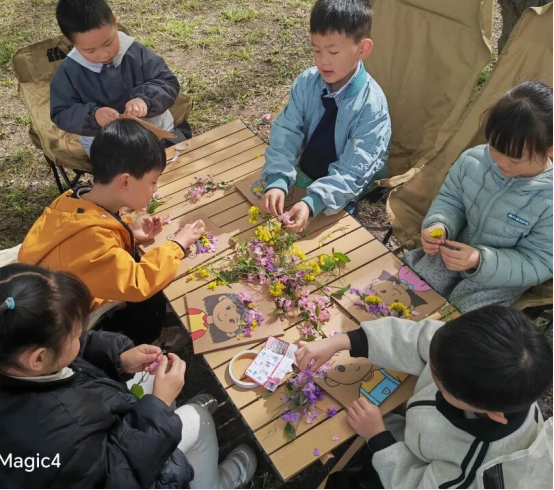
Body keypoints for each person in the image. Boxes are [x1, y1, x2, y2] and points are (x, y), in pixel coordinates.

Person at [0, 264, 257, 489]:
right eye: (75, 334)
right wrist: (159, 405)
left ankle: (171, 417)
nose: (81, 335)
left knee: (149, 378)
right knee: (199, 420)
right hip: (137, 471)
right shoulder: (57, 438)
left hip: (103, 419)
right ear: (38, 358)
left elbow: (77, 352)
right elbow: (121, 475)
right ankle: (214, 482)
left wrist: (119, 358)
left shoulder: (14, 352)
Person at [296, 306, 553, 489]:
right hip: (414, 427)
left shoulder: (475, 465)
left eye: (440, 383)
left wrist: (378, 437)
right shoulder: (473, 352)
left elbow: (415, 484)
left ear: (493, 414)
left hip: (409, 459)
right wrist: (343, 342)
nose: (431, 366)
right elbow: (419, 338)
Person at [19, 120, 205, 345]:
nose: (155, 189)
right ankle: (149, 340)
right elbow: (139, 283)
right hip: (67, 325)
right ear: (125, 181)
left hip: (46, 287)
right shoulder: (92, 239)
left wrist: (130, 232)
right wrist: (178, 244)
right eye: (153, 182)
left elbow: (95, 235)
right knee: (150, 297)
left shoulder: (71, 199)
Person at [405, 81, 553, 313]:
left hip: (500, 278)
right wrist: (439, 225)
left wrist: (479, 261)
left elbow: (540, 261)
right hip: (451, 251)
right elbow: (451, 200)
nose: (500, 162)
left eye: (514, 159)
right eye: (494, 148)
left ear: (550, 150)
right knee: (409, 290)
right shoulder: (472, 161)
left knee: (459, 320)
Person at [260, 0, 391, 232]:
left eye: (333, 52)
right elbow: (286, 131)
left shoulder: (371, 107)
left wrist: (314, 202)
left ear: (362, 49)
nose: (323, 61)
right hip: (304, 170)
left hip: (342, 189)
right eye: (316, 50)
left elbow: (354, 171)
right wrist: (277, 179)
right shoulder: (307, 82)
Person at [51, 0, 190, 156]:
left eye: (108, 43)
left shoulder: (135, 52)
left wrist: (145, 100)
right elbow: (62, 113)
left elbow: (167, 82)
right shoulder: (70, 71)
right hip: (109, 146)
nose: (104, 54)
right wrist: (94, 116)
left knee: (180, 160)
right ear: (72, 43)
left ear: (115, 23)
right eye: (90, 50)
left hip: (156, 131)